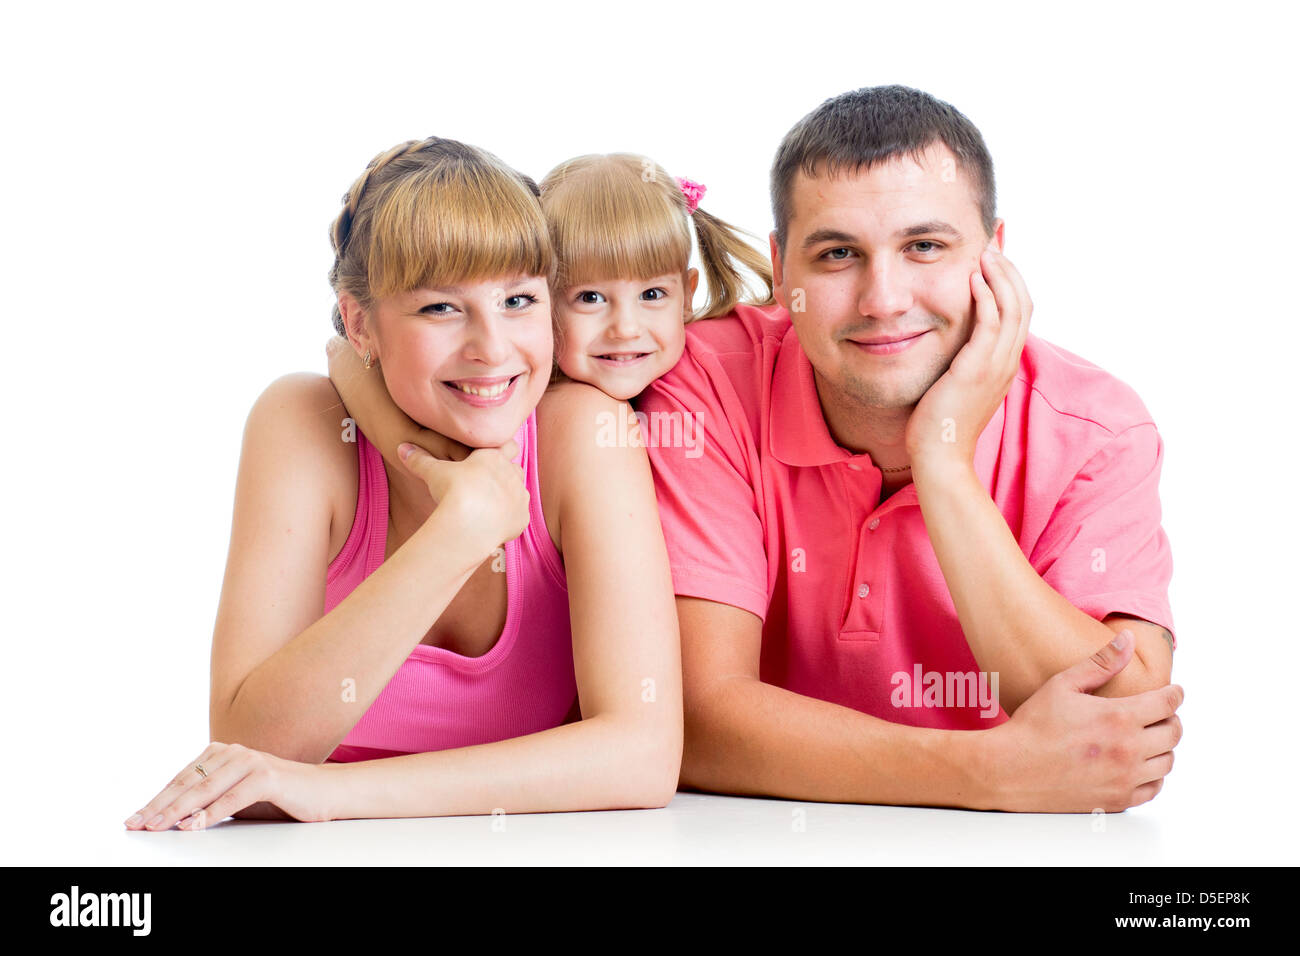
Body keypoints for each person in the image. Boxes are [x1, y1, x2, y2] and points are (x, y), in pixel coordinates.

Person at [639, 85, 1183, 813]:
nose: (883, 299)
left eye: (924, 246)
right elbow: (695, 716)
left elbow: (1124, 719)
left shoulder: (1095, 427)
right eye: (837, 254)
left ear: (994, 253)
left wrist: (944, 465)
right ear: (781, 268)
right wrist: (985, 774)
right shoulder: (706, 383)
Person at [123, 137, 681, 832]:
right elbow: (251, 751)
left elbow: (643, 755)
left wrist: (333, 794)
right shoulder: (303, 426)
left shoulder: (584, 436)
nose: (493, 348)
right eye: (440, 309)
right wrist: (460, 530)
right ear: (360, 323)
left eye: (518, 299)